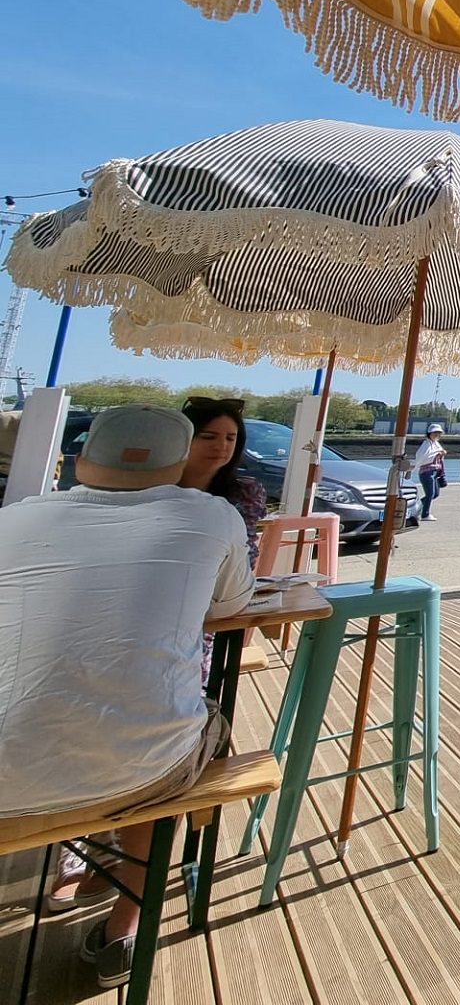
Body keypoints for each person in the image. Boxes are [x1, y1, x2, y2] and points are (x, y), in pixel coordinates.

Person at [0, 406, 253, 988]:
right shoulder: (213, 516)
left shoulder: (18, 517)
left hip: (11, 767)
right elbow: (232, 607)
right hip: (141, 766)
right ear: (181, 457)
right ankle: (124, 924)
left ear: (81, 458)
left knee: (124, 717)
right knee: (172, 721)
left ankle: (91, 861)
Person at [180, 395, 269, 567]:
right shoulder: (151, 487)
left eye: (230, 438)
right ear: (181, 439)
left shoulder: (245, 491)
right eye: (208, 437)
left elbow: (246, 554)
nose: (221, 446)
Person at [413, 422, 448, 520]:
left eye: (439, 433)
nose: (437, 435)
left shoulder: (435, 443)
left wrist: (442, 453)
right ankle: (425, 514)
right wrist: (414, 468)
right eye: (435, 433)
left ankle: (415, 507)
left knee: (435, 494)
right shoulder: (426, 444)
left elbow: (437, 453)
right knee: (430, 494)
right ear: (429, 433)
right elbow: (420, 457)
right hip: (427, 472)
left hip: (435, 472)